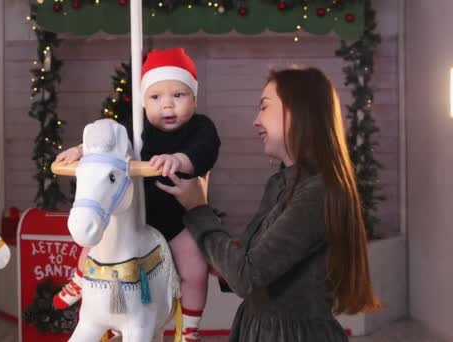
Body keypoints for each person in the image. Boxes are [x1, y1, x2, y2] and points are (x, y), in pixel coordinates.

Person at [156, 66, 381, 341]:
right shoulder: (281, 184)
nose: (256, 121)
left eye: (264, 107)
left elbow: (246, 275)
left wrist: (198, 209)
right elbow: (247, 262)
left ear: (297, 111)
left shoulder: (318, 192)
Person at [54, 48, 221, 340]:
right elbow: (109, 148)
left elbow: (205, 150)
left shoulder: (201, 128)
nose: (167, 105)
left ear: (194, 98)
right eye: (156, 98)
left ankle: (190, 328)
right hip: (136, 215)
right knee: (92, 244)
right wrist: (81, 151)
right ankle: (80, 279)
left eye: (178, 96)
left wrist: (180, 160)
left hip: (175, 219)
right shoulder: (136, 128)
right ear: (143, 102)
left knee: (194, 267)